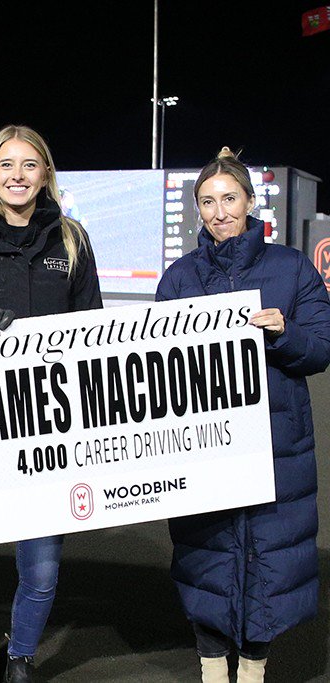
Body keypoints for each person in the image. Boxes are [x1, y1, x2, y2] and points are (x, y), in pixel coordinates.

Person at [155, 148, 330, 683]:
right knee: (208, 553)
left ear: (250, 203)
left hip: (278, 444)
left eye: (229, 198)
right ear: (197, 211)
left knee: (270, 555)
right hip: (204, 446)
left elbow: (321, 348)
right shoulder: (180, 278)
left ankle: (254, 665)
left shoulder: (292, 267)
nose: (219, 211)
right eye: (207, 201)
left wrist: (284, 334)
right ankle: (212, 664)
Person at [0, 124, 102, 683]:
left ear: (46, 175)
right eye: (6, 165)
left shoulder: (72, 239)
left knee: (41, 562)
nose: (17, 175)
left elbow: (95, 331)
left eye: (29, 165)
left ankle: (20, 659)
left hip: (52, 421)